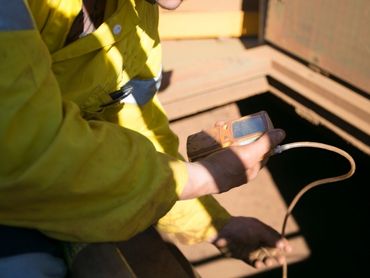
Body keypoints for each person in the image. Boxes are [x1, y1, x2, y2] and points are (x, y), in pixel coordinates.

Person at [0, 0, 291, 277]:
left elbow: (139, 134)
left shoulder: (138, 11)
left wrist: (215, 225)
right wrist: (205, 175)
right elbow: (23, 153)